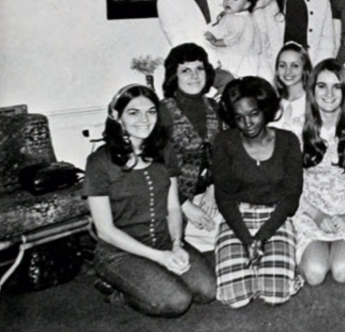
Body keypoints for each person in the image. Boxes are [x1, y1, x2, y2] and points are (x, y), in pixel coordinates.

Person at [85, 84, 216, 317]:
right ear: (116, 115)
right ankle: (118, 291)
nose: (145, 120)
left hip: (163, 241)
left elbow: (173, 207)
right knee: (176, 302)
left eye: (151, 111)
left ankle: (149, 276)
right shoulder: (99, 161)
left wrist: (176, 244)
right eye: (133, 112)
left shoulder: (164, 151)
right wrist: (160, 258)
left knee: (207, 291)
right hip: (119, 251)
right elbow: (105, 231)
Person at [212, 77, 304, 307]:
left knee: (275, 295)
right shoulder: (224, 142)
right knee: (236, 298)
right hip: (237, 217)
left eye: (254, 113)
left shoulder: (288, 141)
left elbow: (291, 198)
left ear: (265, 109)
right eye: (239, 117)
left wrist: (262, 237)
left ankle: (283, 270)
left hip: (276, 216)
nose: (247, 123)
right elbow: (224, 198)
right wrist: (246, 239)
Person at [294, 59, 345, 286]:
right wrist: (316, 215)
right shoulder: (295, 129)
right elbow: (287, 184)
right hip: (310, 208)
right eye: (322, 86)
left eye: (336, 86)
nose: (329, 93)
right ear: (312, 90)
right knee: (314, 274)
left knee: (341, 272)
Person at [158, 44, 223, 254]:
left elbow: (221, 155)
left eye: (199, 68)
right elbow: (155, 169)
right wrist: (184, 205)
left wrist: (213, 189)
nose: (194, 76)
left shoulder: (215, 107)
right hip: (169, 200)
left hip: (206, 196)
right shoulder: (162, 111)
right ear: (174, 76)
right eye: (186, 70)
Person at [203, 0, 271, 79]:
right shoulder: (244, 15)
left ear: (246, 5)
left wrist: (215, 41)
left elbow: (230, 40)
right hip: (246, 56)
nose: (228, 2)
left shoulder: (238, 19)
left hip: (238, 57)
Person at [271, 42, 313, 139]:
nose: (287, 71)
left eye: (295, 65)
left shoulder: (313, 102)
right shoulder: (273, 104)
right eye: (282, 65)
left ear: (305, 69)